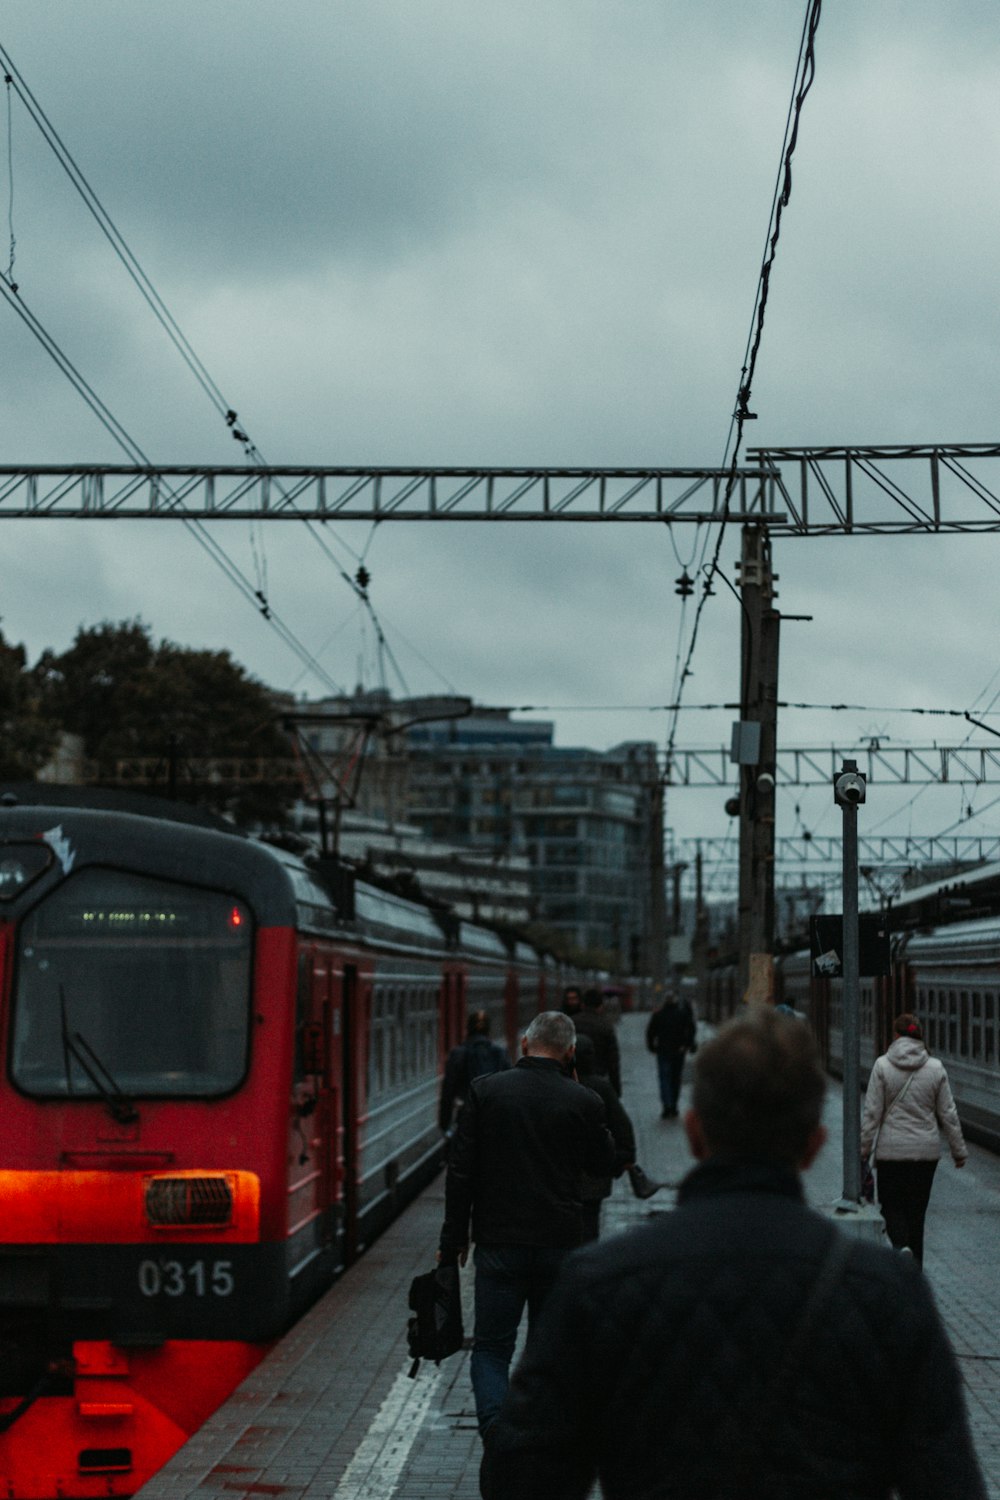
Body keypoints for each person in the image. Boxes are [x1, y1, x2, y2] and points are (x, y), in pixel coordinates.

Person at [484, 1008, 987, 1500]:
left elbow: (524, 1477)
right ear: (813, 1146)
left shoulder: (597, 1284)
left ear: (694, 1131)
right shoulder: (889, 1296)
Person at [437, 1010, 614, 1448]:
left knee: (492, 1348)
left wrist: (453, 1239)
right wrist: (580, 1092)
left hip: (498, 1244)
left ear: (523, 1045)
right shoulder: (583, 1100)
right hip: (559, 1243)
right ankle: (535, 1436)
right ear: (571, 1052)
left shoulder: (486, 1092)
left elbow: (460, 1174)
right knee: (545, 1353)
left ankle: (496, 1428)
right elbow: (603, 1163)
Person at [861, 1011, 967, 1266]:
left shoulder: (882, 1065)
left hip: (891, 1154)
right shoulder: (935, 1067)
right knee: (916, 1215)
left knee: (891, 1207)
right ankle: (915, 1271)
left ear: (896, 1036)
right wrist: (958, 1151)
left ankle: (900, 1247)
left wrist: (864, 1148)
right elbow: (948, 1114)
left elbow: (872, 1112)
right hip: (925, 1155)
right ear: (919, 1036)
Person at [572, 1034, 656, 1237]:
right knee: (590, 1222)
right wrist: (624, 1157)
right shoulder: (601, 1087)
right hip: (595, 1175)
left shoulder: (560, 1085)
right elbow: (621, 1126)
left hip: (563, 1175)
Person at [439, 1010, 510, 1137]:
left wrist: (444, 1124)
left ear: (468, 1029)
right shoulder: (500, 1053)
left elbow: (448, 1092)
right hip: (494, 1117)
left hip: (466, 1116)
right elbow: (509, 1088)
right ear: (488, 1030)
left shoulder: (458, 1054)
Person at [645, 989, 697, 1117]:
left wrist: (652, 1046)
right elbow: (691, 1029)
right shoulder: (682, 1014)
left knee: (664, 1078)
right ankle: (673, 1105)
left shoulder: (658, 1015)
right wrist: (687, 1045)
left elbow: (650, 1032)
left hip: (663, 1051)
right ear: (675, 1001)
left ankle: (666, 1105)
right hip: (679, 1051)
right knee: (675, 1079)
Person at [573, 987, 622, 1096]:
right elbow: (613, 1061)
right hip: (599, 1078)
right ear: (600, 1007)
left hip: (573, 1080)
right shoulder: (606, 1026)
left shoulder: (571, 1022)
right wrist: (616, 1090)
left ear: (583, 1005)